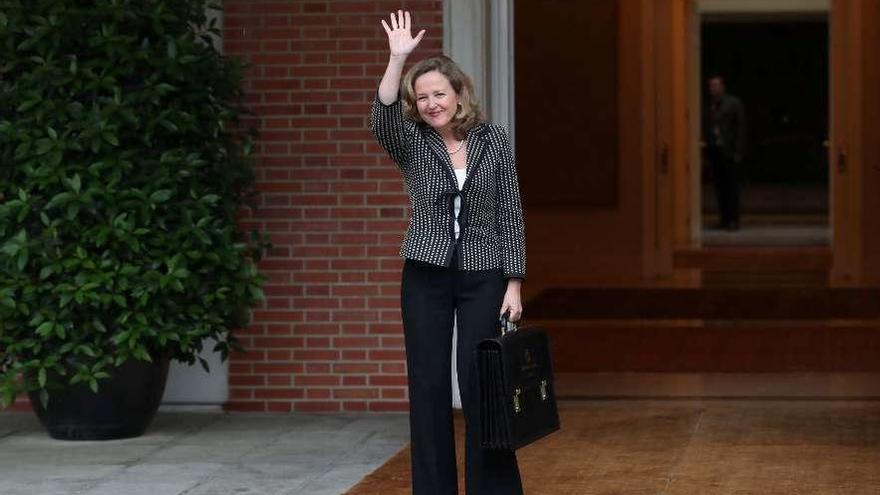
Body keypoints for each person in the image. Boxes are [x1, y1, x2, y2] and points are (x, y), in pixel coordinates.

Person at [369, 10, 526, 495]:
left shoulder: (492, 140)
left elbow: (511, 213)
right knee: (429, 387)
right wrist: (398, 59)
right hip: (426, 274)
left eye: (439, 93)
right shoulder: (412, 142)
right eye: (424, 97)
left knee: (482, 386)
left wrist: (514, 283)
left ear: (458, 92)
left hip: (485, 275)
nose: (432, 103)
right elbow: (382, 112)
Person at [704, 75, 747, 230]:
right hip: (715, 151)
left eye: (716, 85)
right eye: (711, 86)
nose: (713, 88)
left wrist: (738, 152)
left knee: (732, 188)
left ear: (722, 86)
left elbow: (740, 129)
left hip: (729, 152)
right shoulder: (710, 106)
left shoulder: (733, 103)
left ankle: (733, 220)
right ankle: (723, 219)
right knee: (719, 188)